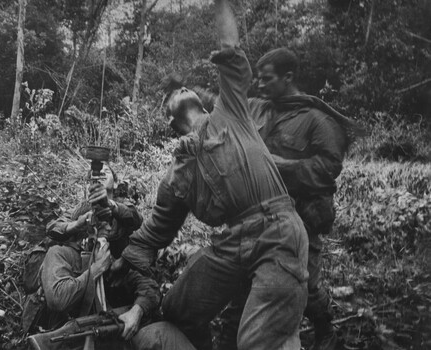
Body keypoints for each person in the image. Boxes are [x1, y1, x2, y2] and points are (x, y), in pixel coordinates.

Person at [110, 1, 309, 349]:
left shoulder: (230, 111)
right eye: (170, 95)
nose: (178, 89)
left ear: (202, 104)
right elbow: (155, 230)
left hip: (278, 229)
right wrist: (116, 263)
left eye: (182, 87)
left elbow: (230, 48)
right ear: (170, 122)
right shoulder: (176, 177)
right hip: (234, 242)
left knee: (259, 341)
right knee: (175, 311)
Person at [216, 48, 365, 350]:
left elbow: (328, 169)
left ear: (288, 77)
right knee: (245, 281)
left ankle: (326, 334)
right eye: (257, 79)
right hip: (259, 214)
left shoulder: (317, 120)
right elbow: (225, 106)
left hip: (303, 217)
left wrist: (282, 165)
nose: (259, 84)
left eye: (267, 79)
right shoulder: (257, 108)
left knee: (305, 285)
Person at [40, 163, 196, 349]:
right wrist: (96, 268)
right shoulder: (62, 254)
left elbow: (148, 286)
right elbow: (58, 299)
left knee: (165, 333)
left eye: (109, 223)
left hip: (116, 331)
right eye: (96, 221)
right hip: (76, 340)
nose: (104, 229)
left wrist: (136, 312)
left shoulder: (116, 252)